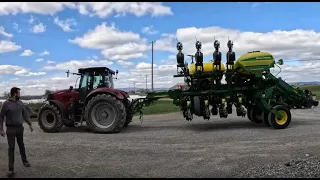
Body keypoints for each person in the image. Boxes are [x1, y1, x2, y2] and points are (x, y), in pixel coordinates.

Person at [0, 87, 34, 177]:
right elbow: (1, 117)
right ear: (15, 94)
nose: (20, 95)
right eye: (19, 93)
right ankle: (11, 169)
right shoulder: (6, 104)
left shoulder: (20, 103)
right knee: (11, 148)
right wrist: (1, 129)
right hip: (10, 129)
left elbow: (25, 114)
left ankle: (25, 161)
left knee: (21, 145)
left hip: (20, 128)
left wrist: (30, 124)